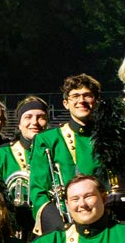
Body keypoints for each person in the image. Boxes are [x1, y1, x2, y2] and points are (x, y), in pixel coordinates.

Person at [30, 75, 106, 234]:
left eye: (88, 95)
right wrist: (58, 226)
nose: (82, 101)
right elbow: (38, 191)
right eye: (75, 96)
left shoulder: (110, 136)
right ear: (66, 103)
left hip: (105, 222)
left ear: (96, 101)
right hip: (64, 226)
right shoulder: (47, 140)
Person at [9, 97, 50, 237]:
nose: (34, 122)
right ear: (19, 124)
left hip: (51, 228)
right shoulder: (0, 155)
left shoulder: (57, 149)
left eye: (41, 117)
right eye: (28, 117)